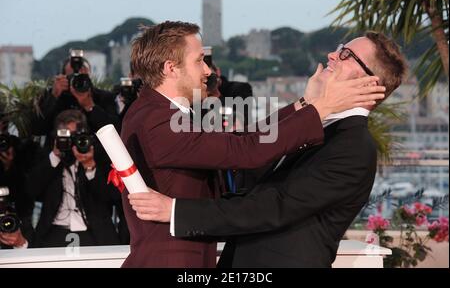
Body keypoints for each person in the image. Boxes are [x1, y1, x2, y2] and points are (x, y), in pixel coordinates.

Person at [128, 31, 407, 268]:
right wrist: (307, 103)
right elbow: (247, 154)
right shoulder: (315, 127)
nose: (332, 56)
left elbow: (272, 207)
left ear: (370, 82)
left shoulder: (354, 147)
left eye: (346, 55)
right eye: (338, 50)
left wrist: (177, 211)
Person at [26, 110, 121, 247]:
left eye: (75, 136)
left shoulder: (98, 155)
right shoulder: (46, 157)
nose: (70, 142)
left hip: (94, 231)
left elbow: (110, 196)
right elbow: (30, 190)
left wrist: (89, 165)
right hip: (54, 230)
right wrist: (55, 157)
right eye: (66, 136)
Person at [0, 118, 37, 249]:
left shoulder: (17, 147)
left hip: (15, 215)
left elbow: (26, 191)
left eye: (3, 130)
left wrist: (9, 165)